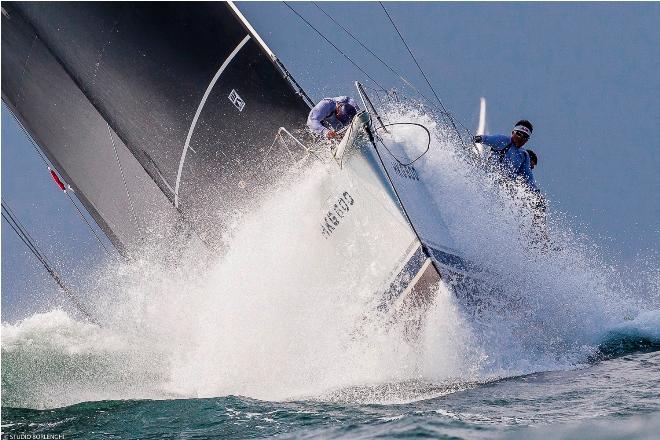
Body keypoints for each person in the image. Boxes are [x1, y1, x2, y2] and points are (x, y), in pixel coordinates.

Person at [473, 120, 538, 192]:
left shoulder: (524, 155)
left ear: (527, 140)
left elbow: (528, 177)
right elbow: (487, 139)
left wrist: (536, 192)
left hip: (504, 189)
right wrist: (479, 138)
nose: (520, 138)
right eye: (519, 134)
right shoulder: (503, 140)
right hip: (488, 178)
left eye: (525, 137)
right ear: (513, 132)